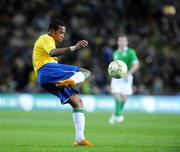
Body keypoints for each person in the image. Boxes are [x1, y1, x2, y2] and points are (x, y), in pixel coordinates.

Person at [32, 19, 93, 146]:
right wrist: (74, 47)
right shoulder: (46, 38)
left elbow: (52, 54)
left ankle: (80, 139)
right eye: (60, 32)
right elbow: (53, 52)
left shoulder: (49, 42)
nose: (62, 36)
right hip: (47, 70)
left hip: (45, 79)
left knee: (77, 103)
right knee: (86, 72)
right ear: (52, 31)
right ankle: (71, 81)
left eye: (64, 33)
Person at [109, 34, 139, 124]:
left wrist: (128, 73)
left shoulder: (131, 52)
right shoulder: (115, 53)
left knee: (124, 99)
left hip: (127, 77)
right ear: (118, 42)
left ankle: (115, 115)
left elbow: (136, 65)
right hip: (116, 77)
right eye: (120, 40)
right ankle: (118, 116)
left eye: (124, 41)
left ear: (127, 42)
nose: (122, 42)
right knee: (116, 94)